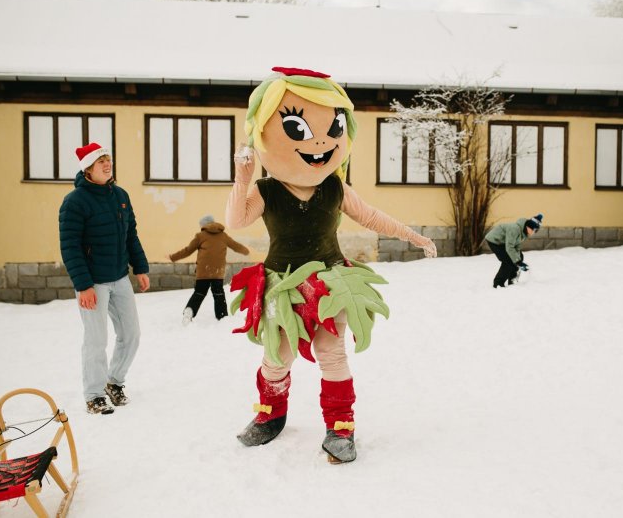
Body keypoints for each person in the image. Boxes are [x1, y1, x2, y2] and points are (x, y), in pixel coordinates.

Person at [226, 67, 436, 463]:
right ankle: (270, 415)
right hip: (283, 287)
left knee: (331, 351)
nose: (321, 141)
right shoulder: (267, 190)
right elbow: (236, 220)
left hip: (330, 283)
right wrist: (243, 177)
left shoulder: (335, 186)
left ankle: (341, 427)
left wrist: (414, 236)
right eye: (298, 128)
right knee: (276, 357)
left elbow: (372, 216)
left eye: (333, 127)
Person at [58, 142, 150, 415]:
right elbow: (70, 247)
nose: (108, 164)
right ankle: (94, 395)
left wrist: (140, 267)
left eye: (108, 159)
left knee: (131, 334)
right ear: (88, 169)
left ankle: (114, 382)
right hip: (93, 282)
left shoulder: (120, 195)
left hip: (119, 278)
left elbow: (130, 235)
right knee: (96, 341)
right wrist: (83, 285)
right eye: (101, 161)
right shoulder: (74, 202)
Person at [167, 214, 250, 324]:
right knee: (218, 293)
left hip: (203, 270)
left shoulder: (200, 236)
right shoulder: (223, 236)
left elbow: (187, 250)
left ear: (204, 225)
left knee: (199, 292)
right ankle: (222, 316)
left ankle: (190, 310)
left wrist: (173, 257)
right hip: (218, 271)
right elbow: (236, 245)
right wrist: (246, 251)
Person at [484, 213, 543, 288]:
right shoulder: (514, 229)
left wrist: (519, 261)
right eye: (534, 230)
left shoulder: (523, 233)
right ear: (528, 227)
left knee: (519, 256)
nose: (534, 232)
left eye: (536, 231)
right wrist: (518, 262)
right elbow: (510, 247)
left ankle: (513, 280)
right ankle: (498, 283)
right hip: (495, 241)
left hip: (504, 242)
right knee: (508, 260)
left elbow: (516, 247)